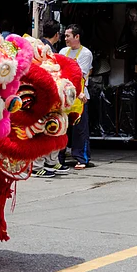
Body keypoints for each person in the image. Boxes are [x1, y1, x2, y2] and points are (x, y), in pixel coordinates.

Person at [32, 19, 69, 177]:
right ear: (57, 34)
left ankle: (49, 162)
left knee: (52, 128)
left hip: (46, 96)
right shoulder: (44, 50)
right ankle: (37, 166)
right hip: (42, 96)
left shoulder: (39, 47)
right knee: (42, 130)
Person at [59, 25, 92, 170]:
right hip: (63, 96)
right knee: (61, 128)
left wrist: (77, 91)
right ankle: (58, 159)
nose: (65, 39)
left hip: (79, 96)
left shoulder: (85, 53)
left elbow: (80, 75)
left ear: (77, 37)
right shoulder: (62, 52)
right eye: (65, 36)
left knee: (80, 129)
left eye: (68, 36)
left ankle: (81, 158)